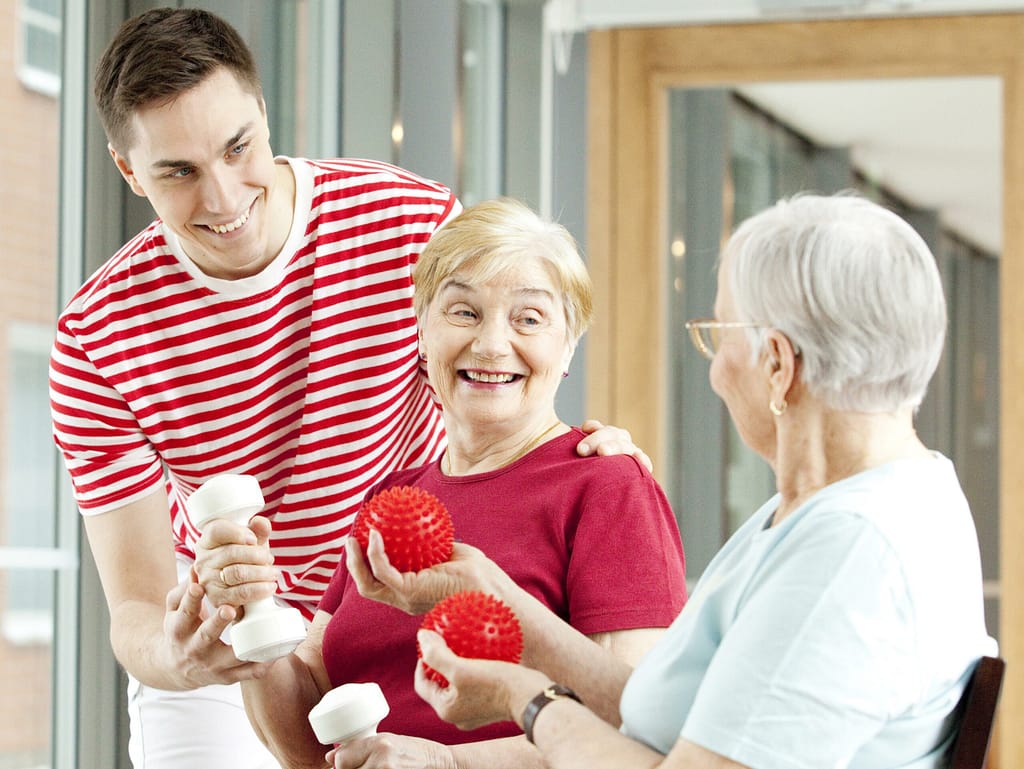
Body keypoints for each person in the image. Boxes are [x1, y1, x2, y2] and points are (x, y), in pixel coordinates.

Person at [48, 9, 650, 769]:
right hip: (226, 608)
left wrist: (582, 457)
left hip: (392, 582)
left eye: (237, 148)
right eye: (179, 172)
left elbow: (488, 361)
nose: (225, 198)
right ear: (129, 171)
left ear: (264, 115)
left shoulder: (408, 223)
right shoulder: (95, 336)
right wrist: (181, 653)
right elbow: (137, 607)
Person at [373, 193, 995, 769]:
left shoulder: (850, 549)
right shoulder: (850, 505)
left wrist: (528, 701)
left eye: (720, 336)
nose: (716, 372)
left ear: (778, 365)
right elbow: (667, 718)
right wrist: (504, 607)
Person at [238, 197, 688, 769]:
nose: (492, 344)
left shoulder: (608, 486)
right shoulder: (391, 501)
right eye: (464, 312)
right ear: (422, 332)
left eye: (529, 318)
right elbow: (306, 736)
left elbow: (633, 731)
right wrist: (249, 613)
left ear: (567, 346)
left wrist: (445, 764)